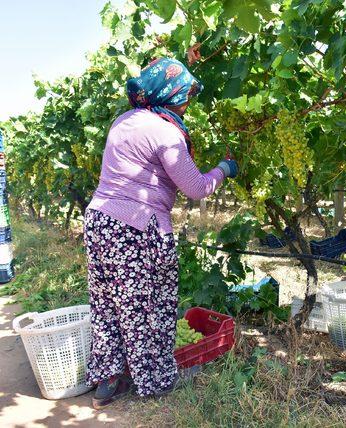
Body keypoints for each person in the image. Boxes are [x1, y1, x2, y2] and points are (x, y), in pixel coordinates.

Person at [84, 58, 238, 408]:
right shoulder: (166, 132)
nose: (188, 102)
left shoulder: (123, 121)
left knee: (108, 303)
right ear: (170, 95)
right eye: (184, 95)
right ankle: (153, 382)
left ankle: (108, 381)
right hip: (136, 227)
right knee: (148, 305)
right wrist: (223, 169)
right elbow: (196, 188)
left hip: (98, 223)